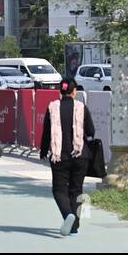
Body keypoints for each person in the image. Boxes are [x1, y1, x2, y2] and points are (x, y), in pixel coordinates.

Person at [38, 78, 96, 237]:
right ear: (74, 91)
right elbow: (91, 131)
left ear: (61, 91)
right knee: (76, 190)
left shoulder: (52, 108)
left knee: (58, 189)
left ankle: (67, 215)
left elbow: (46, 133)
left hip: (59, 156)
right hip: (80, 155)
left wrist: (43, 151)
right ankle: (75, 227)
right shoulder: (81, 107)